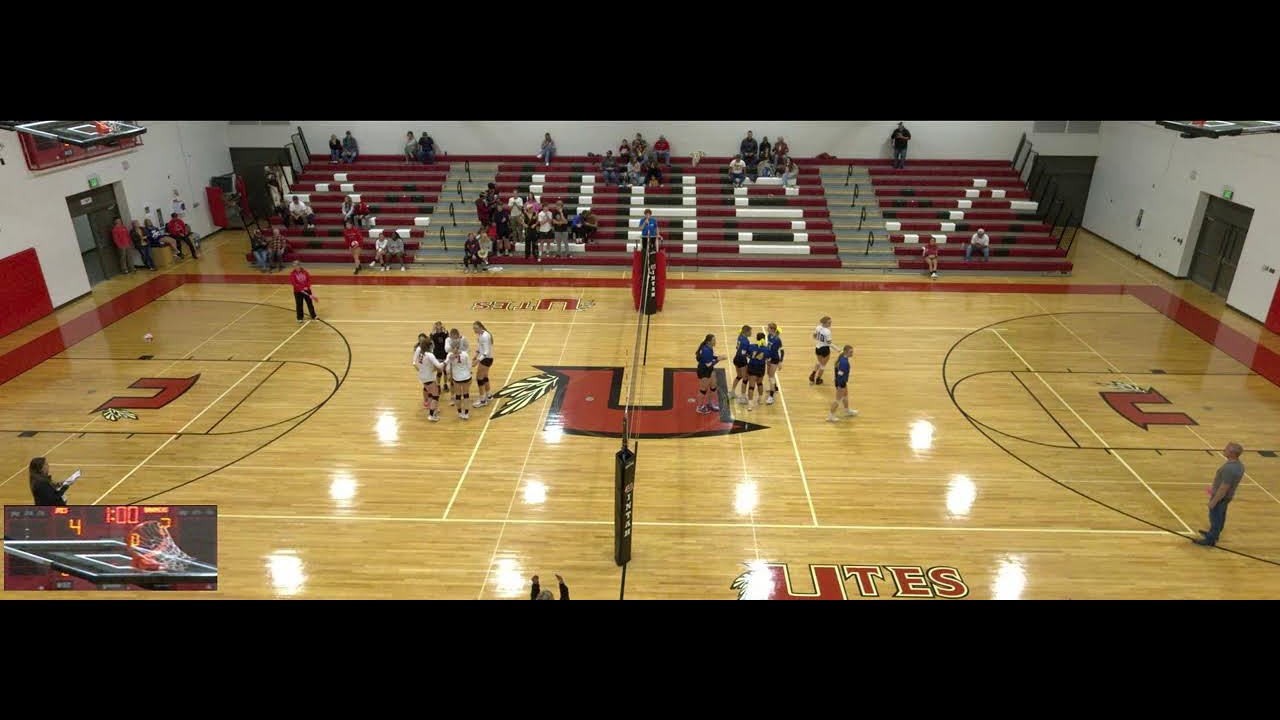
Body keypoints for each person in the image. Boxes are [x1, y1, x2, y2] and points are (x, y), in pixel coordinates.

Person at [1194, 442, 1245, 547]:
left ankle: (1210, 540)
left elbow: (1224, 488)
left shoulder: (1229, 468)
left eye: (1226, 449)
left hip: (1221, 497)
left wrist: (1213, 501)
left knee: (1215, 517)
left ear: (1232, 453)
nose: (1224, 450)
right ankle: (1213, 533)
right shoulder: (1239, 465)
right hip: (1226, 497)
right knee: (1220, 516)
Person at [827, 345, 859, 422]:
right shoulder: (844, 362)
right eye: (850, 352)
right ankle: (830, 416)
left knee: (845, 395)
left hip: (842, 382)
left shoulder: (842, 358)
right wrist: (840, 386)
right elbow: (840, 375)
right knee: (838, 400)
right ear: (845, 352)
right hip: (841, 383)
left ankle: (847, 410)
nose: (852, 353)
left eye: (852, 352)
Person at [695, 334, 723, 414]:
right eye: (714, 340)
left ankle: (710, 403)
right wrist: (718, 359)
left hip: (709, 369)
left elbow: (710, 357)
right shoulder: (706, 350)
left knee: (713, 386)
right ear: (708, 342)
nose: (715, 342)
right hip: (704, 371)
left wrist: (716, 357)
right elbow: (709, 364)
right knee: (703, 390)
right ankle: (699, 408)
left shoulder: (708, 347)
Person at [471, 321, 494, 408]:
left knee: (479, 379)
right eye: (474, 328)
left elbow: (486, 351)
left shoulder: (484, 336)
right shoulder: (482, 334)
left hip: (486, 359)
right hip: (487, 358)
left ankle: (482, 400)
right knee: (484, 377)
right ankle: (489, 395)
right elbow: (480, 347)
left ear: (481, 327)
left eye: (476, 328)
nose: (474, 330)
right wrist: (476, 355)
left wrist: (478, 360)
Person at [809, 316, 834, 385]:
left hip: (817, 348)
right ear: (825, 323)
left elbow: (814, 336)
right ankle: (818, 379)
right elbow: (830, 344)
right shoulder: (828, 332)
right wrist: (838, 350)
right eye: (829, 322)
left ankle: (813, 375)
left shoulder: (818, 327)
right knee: (823, 365)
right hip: (825, 349)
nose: (830, 323)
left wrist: (819, 340)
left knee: (819, 362)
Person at [764, 322, 784, 405]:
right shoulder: (769, 336)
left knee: (771, 376)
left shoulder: (777, 340)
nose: (767, 328)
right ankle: (775, 387)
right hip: (769, 358)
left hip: (775, 359)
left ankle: (771, 397)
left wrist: (780, 362)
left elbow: (782, 351)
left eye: (768, 327)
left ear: (772, 329)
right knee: (769, 374)